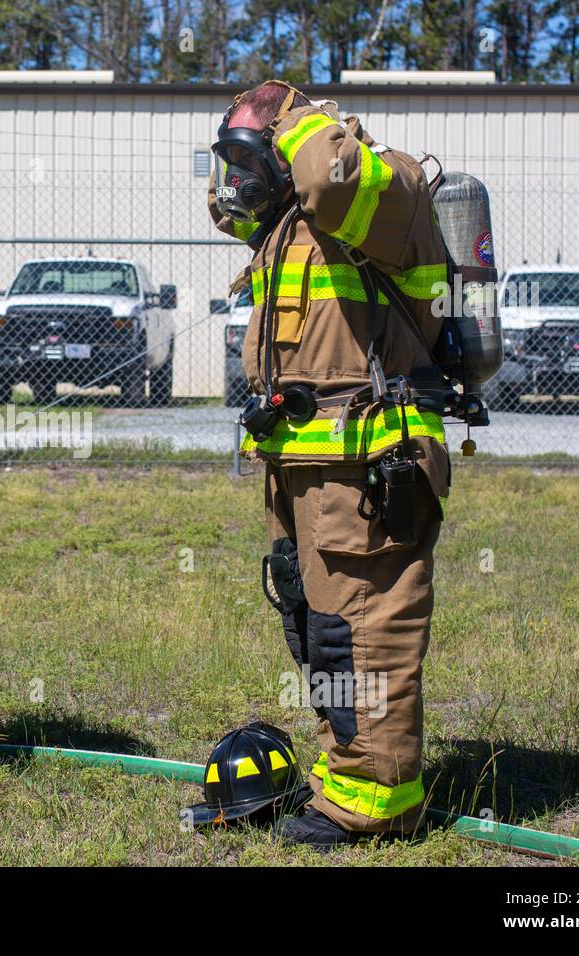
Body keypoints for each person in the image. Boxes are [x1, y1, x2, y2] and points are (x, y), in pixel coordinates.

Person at [209, 80, 451, 849]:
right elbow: (233, 209)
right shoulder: (290, 227)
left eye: (255, 154)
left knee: (364, 628)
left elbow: (326, 176)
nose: (239, 179)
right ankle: (344, 773)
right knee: (319, 629)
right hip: (305, 462)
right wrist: (249, 159)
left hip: (372, 462)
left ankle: (378, 800)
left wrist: (293, 117)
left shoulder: (389, 190)